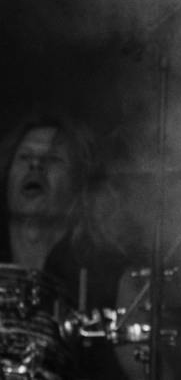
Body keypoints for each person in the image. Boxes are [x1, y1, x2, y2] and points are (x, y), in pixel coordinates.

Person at [0, 114, 142, 380]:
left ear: (80, 185)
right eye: (24, 157)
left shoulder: (115, 281)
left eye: (53, 159)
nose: (35, 165)